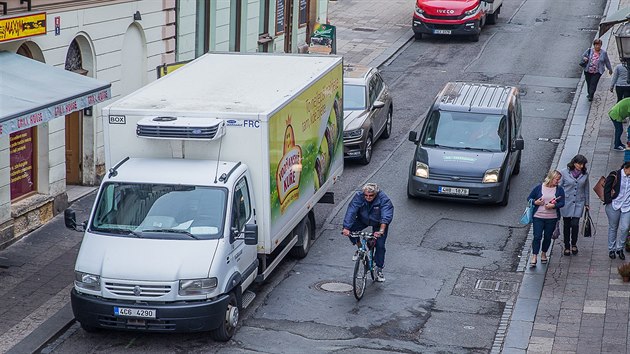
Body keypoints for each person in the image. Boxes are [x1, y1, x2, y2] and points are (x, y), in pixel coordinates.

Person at [342, 182, 394, 282]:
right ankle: (359, 247)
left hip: (378, 222)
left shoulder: (383, 199)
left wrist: (381, 230)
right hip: (363, 219)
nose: (368, 197)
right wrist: (346, 228)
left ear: (376, 194)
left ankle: (379, 269)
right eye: (366, 195)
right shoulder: (359, 196)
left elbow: (386, 215)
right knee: (351, 229)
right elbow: (351, 211)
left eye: (371, 196)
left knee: (380, 245)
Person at [527, 170, 565, 267]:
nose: (558, 182)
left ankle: (544, 253)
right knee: (537, 236)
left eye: (559, 180)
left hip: (552, 218)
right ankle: (534, 255)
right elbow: (529, 198)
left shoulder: (559, 190)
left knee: (548, 237)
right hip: (538, 217)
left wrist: (553, 206)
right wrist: (536, 202)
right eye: (556, 180)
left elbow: (562, 203)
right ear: (551, 178)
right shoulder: (539, 187)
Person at [559, 155, 589, 256]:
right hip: (566, 202)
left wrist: (587, 203)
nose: (581, 166)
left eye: (582, 164)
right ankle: (566, 245)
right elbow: (559, 187)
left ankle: (574, 244)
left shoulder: (585, 174)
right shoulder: (564, 172)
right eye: (579, 164)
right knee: (567, 224)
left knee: (575, 224)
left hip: (579, 202)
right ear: (574, 163)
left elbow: (586, 189)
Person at [603, 161, 630, 260]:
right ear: (626, 168)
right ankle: (611, 249)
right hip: (614, 205)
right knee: (613, 227)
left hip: (627, 206)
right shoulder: (615, 175)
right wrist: (608, 201)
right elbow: (607, 188)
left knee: (625, 227)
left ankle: (620, 248)